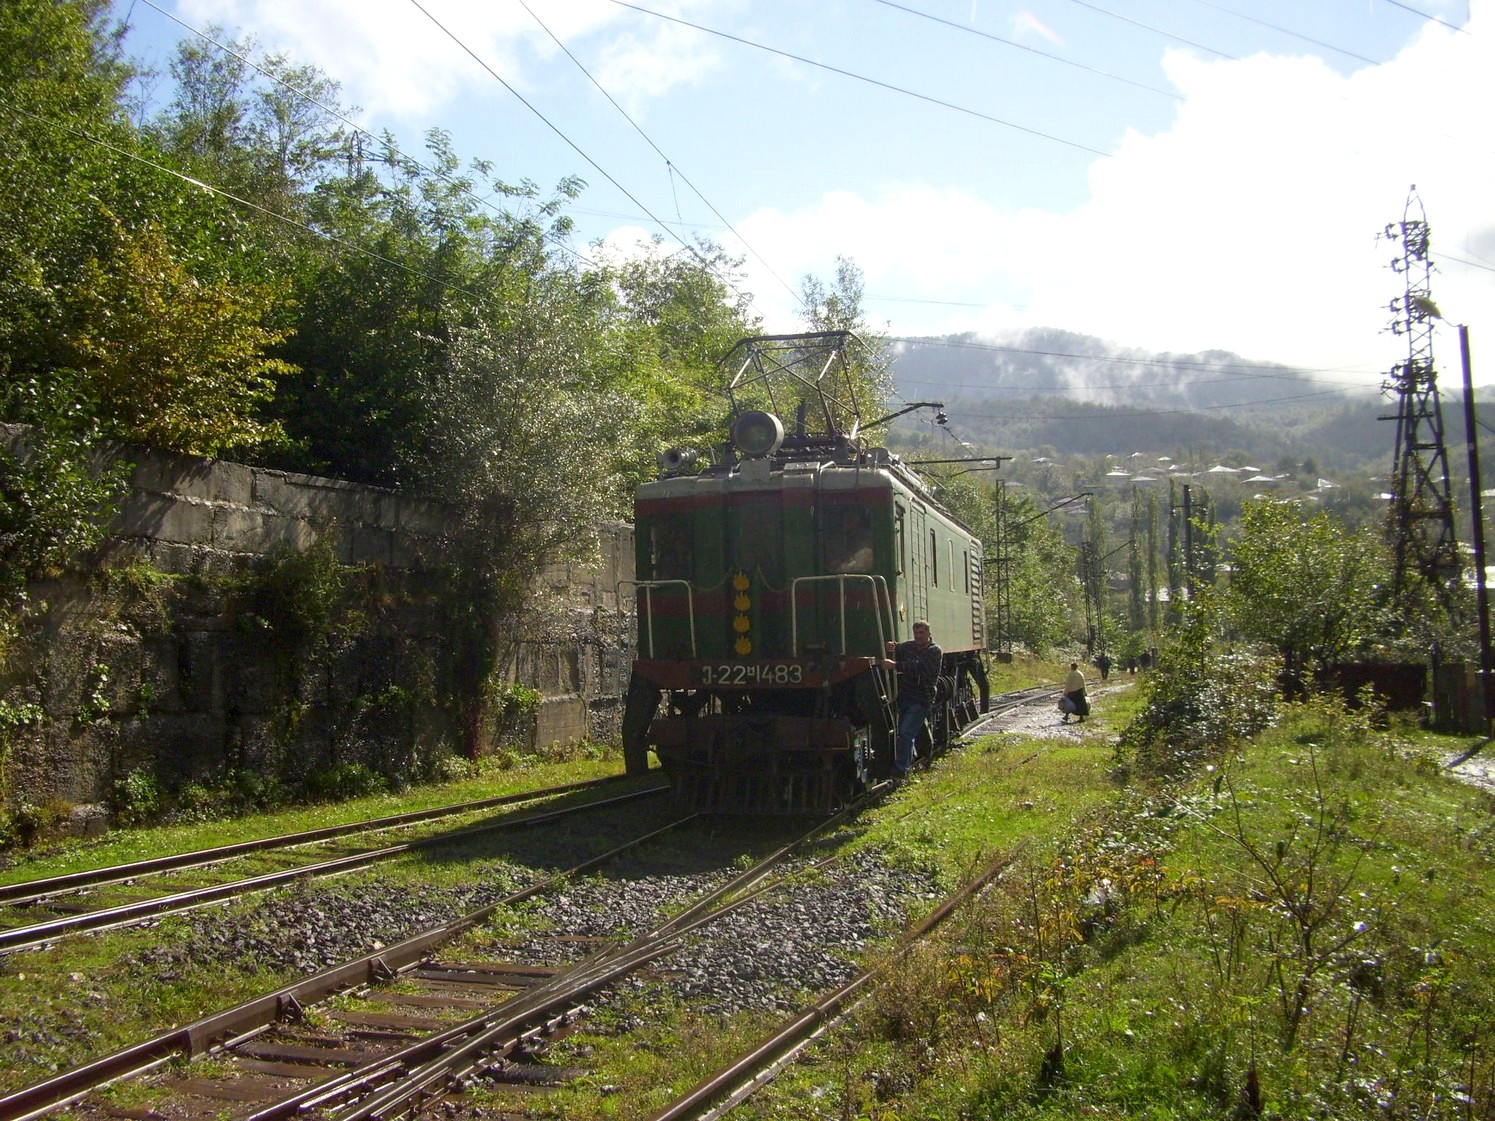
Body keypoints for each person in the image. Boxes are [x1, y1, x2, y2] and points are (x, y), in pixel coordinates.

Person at [882, 620, 942, 780]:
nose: (918, 636)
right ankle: (924, 752)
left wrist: (894, 665)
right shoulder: (909, 646)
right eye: (916, 633)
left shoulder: (935, 651)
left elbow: (920, 667)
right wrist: (892, 646)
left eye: (922, 633)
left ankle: (901, 769)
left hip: (921, 697)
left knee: (906, 732)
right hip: (906, 696)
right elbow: (898, 648)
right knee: (911, 728)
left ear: (929, 634)